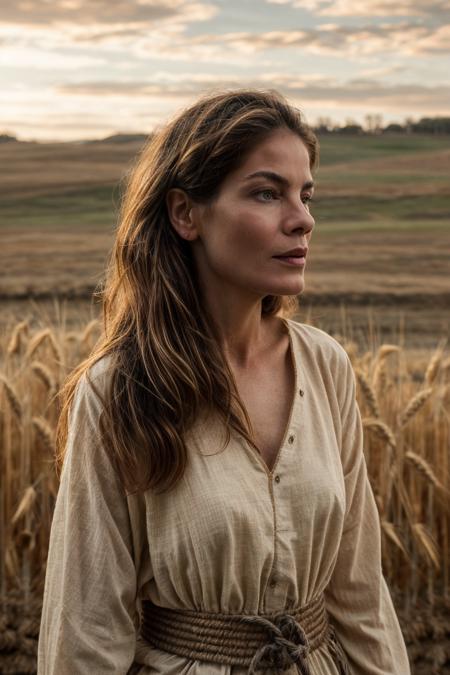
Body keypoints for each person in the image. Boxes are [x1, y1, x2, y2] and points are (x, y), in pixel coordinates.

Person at [37, 89, 410, 675]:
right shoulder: (120, 389)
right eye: (267, 193)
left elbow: (360, 592)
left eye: (305, 195)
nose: (303, 218)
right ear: (186, 213)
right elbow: (85, 626)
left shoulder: (326, 365)